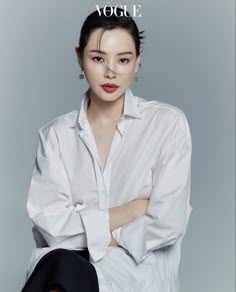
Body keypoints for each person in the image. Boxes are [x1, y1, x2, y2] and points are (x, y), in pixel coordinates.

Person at [21, 6, 192, 292]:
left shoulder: (166, 124)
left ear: (138, 61)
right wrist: (131, 210)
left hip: (138, 278)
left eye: (123, 59)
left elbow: (167, 224)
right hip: (66, 271)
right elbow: (50, 226)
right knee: (60, 263)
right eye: (98, 58)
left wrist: (85, 227)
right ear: (79, 58)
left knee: (61, 264)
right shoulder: (55, 136)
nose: (111, 71)